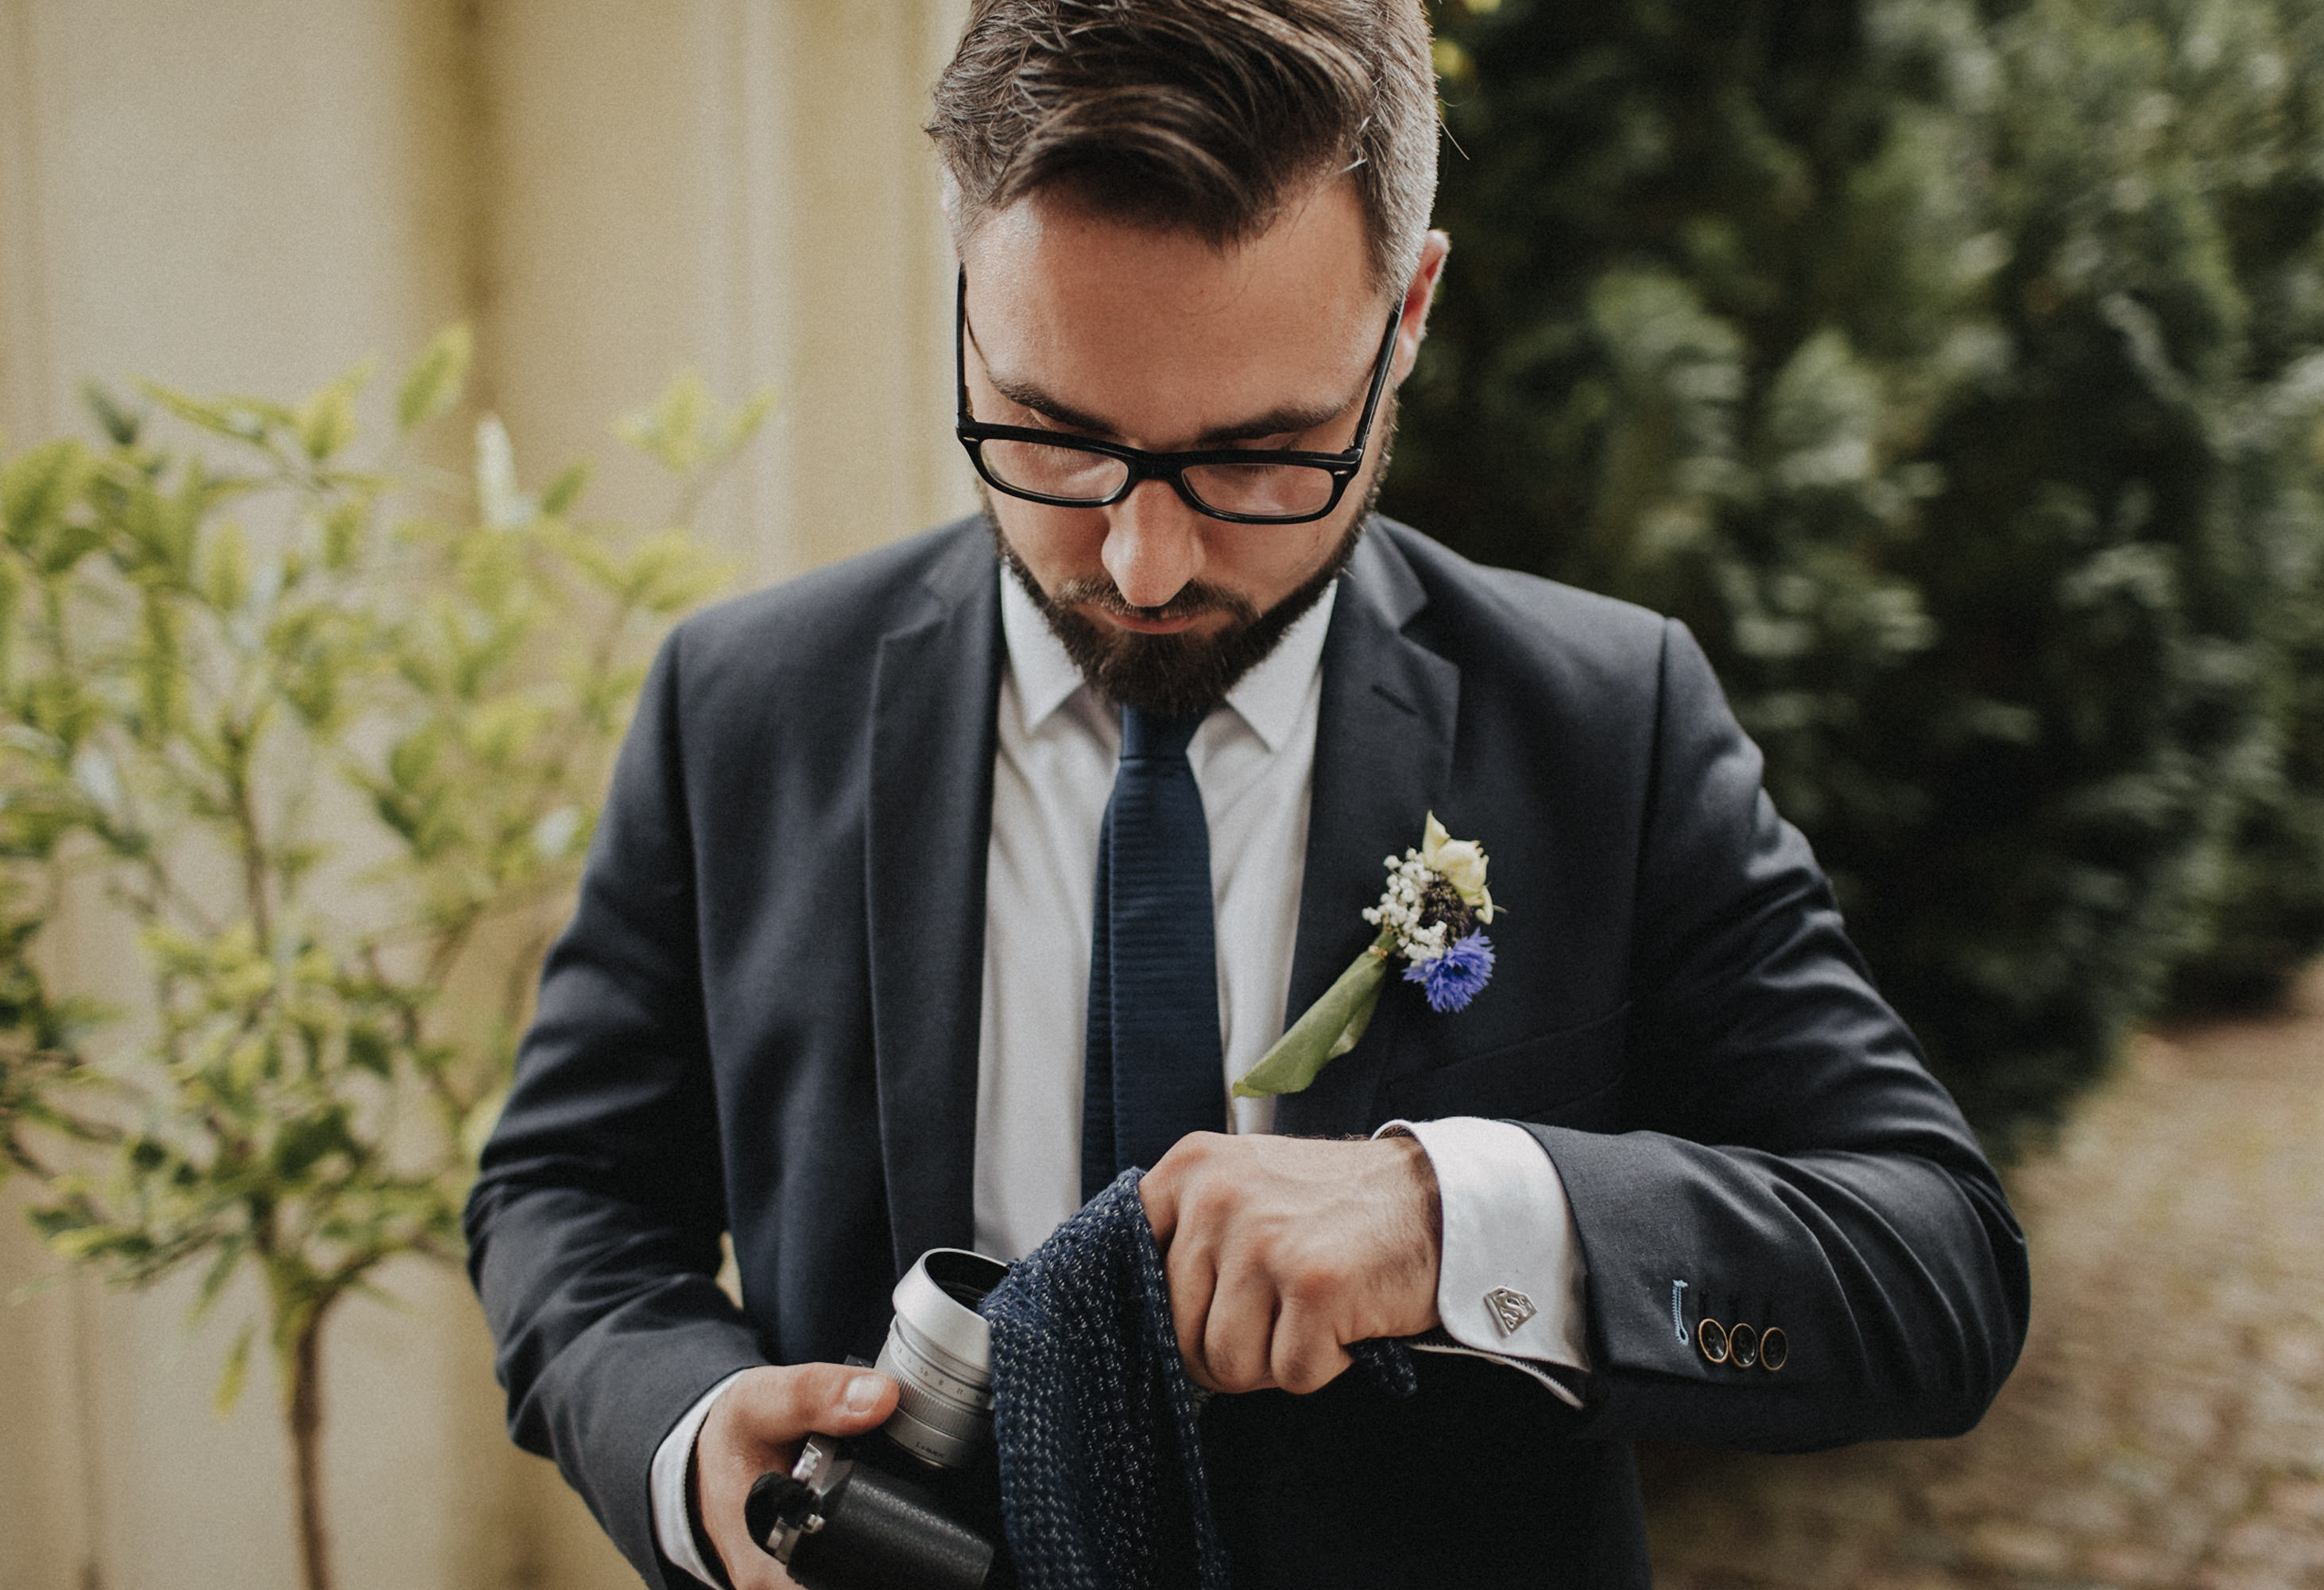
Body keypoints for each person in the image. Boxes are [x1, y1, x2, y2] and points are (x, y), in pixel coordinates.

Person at [466, 2, 2030, 1587]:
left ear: (1408, 309)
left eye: (1264, 455)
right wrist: (684, 1434)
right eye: (1056, 438)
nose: (1145, 562)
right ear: (964, 294)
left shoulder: (1606, 726)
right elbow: (565, 1191)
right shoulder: (740, 707)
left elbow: (1935, 1266)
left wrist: (1456, 1219)